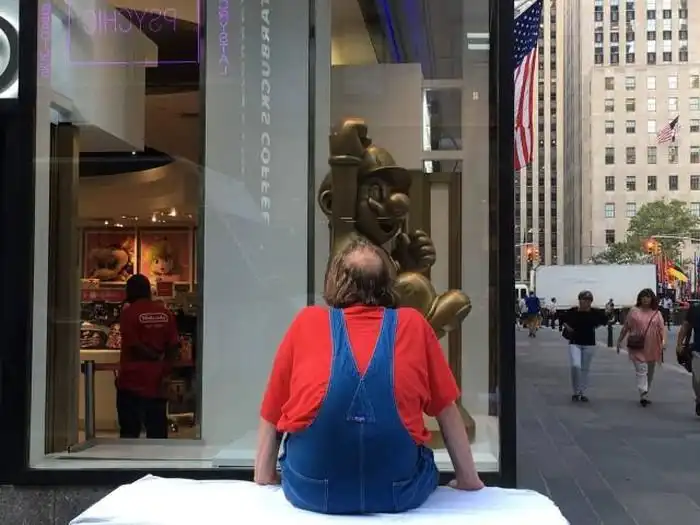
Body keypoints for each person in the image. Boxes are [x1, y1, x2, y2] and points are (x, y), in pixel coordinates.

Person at [255, 238, 483, 515]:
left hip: (312, 490)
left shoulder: (307, 322)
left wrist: (264, 475)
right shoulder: (414, 325)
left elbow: (272, 411)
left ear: (335, 281)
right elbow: (447, 411)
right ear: (388, 283)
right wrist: (468, 479)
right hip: (399, 490)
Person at [116, 274, 180, 439]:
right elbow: (174, 345)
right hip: (157, 381)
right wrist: (165, 369)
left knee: (130, 432)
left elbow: (133, 344)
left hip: (131, 380)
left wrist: (152, 356)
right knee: (157, 430)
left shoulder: (129, 314)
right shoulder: (165, 313)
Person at [616, 289, 666, 407]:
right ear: (639, 298)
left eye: (648, 297)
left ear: (652, 299)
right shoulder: (634, 311)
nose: (645, 299)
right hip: (637, 346)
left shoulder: (657, 313)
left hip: (653, 346)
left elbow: (662, 329)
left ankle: (645, 392)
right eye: (643, 296)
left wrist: (663, 342)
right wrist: (619, 340)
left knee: (650, 371)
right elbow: (626, 327)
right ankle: (643, 392)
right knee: (642, 369)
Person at [562, 290, 608, 402]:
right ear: (579, 300)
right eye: (583, 299)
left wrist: (605, 316)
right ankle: (575, 391)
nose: (585, 302)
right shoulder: (573, 311)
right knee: (575, 365)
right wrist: (568, 327)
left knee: (585, 368)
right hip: (575, 342)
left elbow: (604, 320)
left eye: (588, 300)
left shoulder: (595, 312)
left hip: (589, 343)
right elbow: (563, 319)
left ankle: (581, 392)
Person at [675, 303, 700, 416]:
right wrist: (679, 344)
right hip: (698, 351)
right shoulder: (695, 309)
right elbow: (685, 326)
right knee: (698, 381)